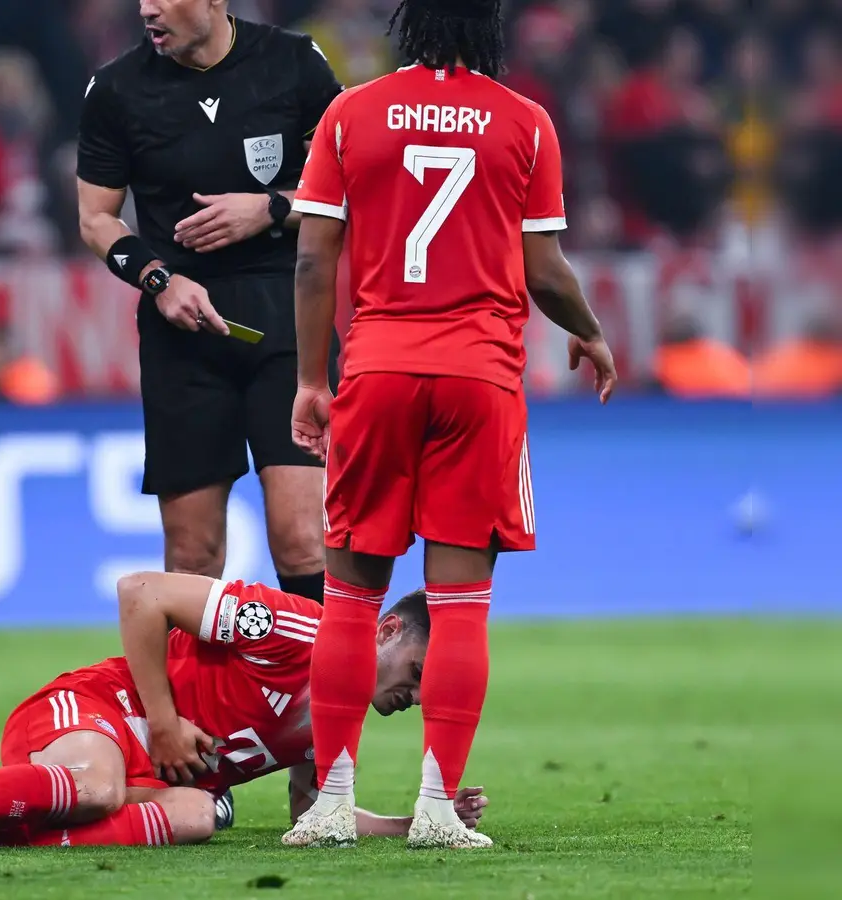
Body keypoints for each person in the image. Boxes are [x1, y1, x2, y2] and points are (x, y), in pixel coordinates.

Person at [283, 0, 617, 851]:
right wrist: (589, 331)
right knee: (462, 607)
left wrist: (311, 380)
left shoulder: (352, 113)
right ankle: (436, 810)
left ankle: (330, 805)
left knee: (349, 602)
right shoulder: (526, 122)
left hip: (378, 371)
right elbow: (545, 270)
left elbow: (314, 258)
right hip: (478, 378)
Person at [0, 572, 488, 851]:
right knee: (97, 786)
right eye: (418, 675)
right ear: (387, 630)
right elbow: (140, 593)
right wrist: (165, 723)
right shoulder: (294, 629)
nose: (414, 698)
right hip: (91, 711)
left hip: (147, 776)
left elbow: (312, 814)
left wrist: (415, 822)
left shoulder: (340, 721)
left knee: (202, 814)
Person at [76, 0, 343, 604]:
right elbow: (96, 219)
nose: (147, 9)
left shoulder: (292, 62)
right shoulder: (116, 89)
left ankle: (317, 671)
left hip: (288, 323)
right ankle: (198, 675)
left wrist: (269, 208)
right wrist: (158, 280)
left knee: (303, 540)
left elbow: (350, 184)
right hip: (183, 336)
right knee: (193, 554)